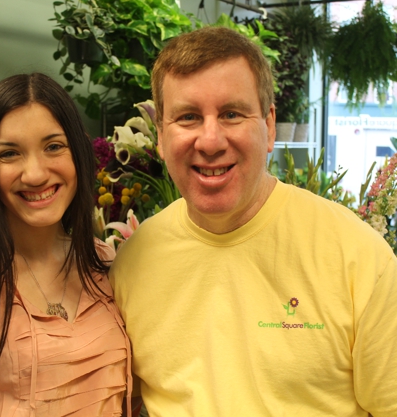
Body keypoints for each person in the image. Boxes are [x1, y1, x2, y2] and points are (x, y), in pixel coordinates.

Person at [109, 26, 397, 416]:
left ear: (269, 126)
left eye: (231, 114)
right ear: (160, 135)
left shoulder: (359, 260)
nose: (210, 141)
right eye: (189, 117)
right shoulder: (134, 264)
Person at [0, 73, 132, 416]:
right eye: (9, 153)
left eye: (53, 147)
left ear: (77, 153)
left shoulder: (100, 260)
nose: (34, 174)